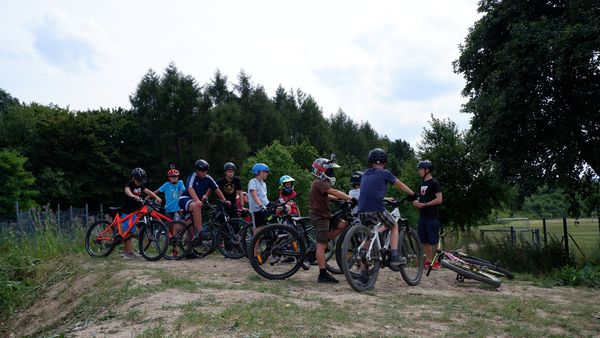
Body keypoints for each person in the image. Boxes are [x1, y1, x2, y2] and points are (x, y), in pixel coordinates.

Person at [356, 148, 415, 283]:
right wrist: (412, 194)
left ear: (370, 162)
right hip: (377, 208)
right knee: (393, 224)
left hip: (362, 209)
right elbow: (399, 184)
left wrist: (385, 198)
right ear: (385, 162)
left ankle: (363, 273)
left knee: (369, 236)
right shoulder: (385, 173)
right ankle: (394, 255)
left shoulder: (365, 174)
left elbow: (371, 191)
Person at [309, 157, 354, 284]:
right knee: (321, 245)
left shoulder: (319, 183)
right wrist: (350, 198)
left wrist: (338, 199)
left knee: (342, 224)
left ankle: (325, 242)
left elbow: (327, 195)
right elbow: (333, 191)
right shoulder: (319, 182)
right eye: (329, 171)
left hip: (324, 215)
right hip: (319, 216)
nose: (331, 174)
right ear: (321, 171)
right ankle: (322, 274)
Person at [178, 159, 230, 247]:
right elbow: (190, 188)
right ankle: (200, 232)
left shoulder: (208, 178)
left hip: (195, 202)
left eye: (206, 171)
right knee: (197, 206)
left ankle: (188, 250)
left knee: (191, 226)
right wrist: (197, 200)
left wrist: (224, 200)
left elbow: (217, 189)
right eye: (202, 171)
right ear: (197, 170)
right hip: (185, 199)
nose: (204, 173)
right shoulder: (193, 176)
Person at [122, 167, 162, 259]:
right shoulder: (130, 184)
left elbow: (147, 191)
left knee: (131, 231)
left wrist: (157, 197)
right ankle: (127, 253)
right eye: (138, 181)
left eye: (141, 181)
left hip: (135, 211)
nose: (140, 183)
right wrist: (133, 195)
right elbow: (126, 190)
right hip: (127, 210)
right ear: (133, 178)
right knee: (128, 231)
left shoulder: (140, 186)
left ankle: (128, 252)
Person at [413, 160, 443, 270]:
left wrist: (425, 204)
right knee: (425, 240)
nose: (419, 171)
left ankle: (437, 262)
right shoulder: (421, 184)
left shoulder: (434, 183)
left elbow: (439, 199)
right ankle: (429, 261)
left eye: (420, 169)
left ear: (427, 170)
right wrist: (416, 201)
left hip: (432, 216)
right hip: (423, 216)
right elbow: (419, 197)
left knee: (433, 240)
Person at [248, 163, 270, 231]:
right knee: (258, 232)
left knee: (283, 207)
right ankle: (255, 241)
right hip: (257, 209)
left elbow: (264, 197)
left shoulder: (264, 184)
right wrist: (261, 206)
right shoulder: (253, 182)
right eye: (265, 172)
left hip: (266, 205)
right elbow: (254, 196)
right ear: (259, 172)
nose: (267, 174)